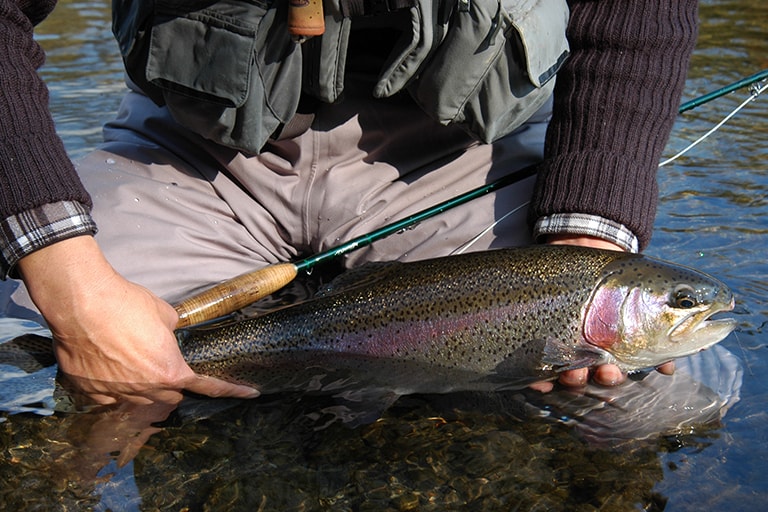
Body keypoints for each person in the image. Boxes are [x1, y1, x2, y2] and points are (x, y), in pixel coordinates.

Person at [0, 0, 694, 405]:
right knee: (22, 336)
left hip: (459, 159)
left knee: (641, 405)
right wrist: (74, 291)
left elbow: (637, 18)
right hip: (196, 148)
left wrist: (589, 240)